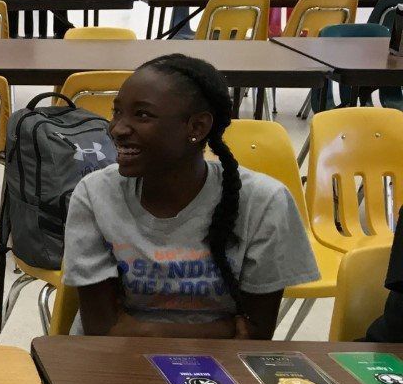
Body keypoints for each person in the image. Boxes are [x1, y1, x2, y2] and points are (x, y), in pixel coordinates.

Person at [64, 53, 319, 338]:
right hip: (111, 362)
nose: (117, 129)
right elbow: (102, 330)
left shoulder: (265, 203)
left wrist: (139, 328)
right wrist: (220, 331)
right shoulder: (95, 194)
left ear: (197, 127)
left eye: (142, 115)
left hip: (218, 370)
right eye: (117, 112)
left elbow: (255, 335)